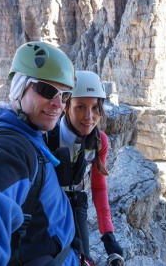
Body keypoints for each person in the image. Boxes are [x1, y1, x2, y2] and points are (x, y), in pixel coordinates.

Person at [0, 41, 79, 265]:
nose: (58, 104)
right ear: (20, 88)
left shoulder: (30, 132)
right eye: (47, 90)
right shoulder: (11, 148)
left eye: (65, 95)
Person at [47, 70, 124, 265]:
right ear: (66, 106)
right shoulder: (48, 135)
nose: (89, 116)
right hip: (49, 205)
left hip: (78, 203)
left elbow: (98, 187)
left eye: (95, 107)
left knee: (83, 258)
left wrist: (108, 234)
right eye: (80, 106)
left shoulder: (100, 141)